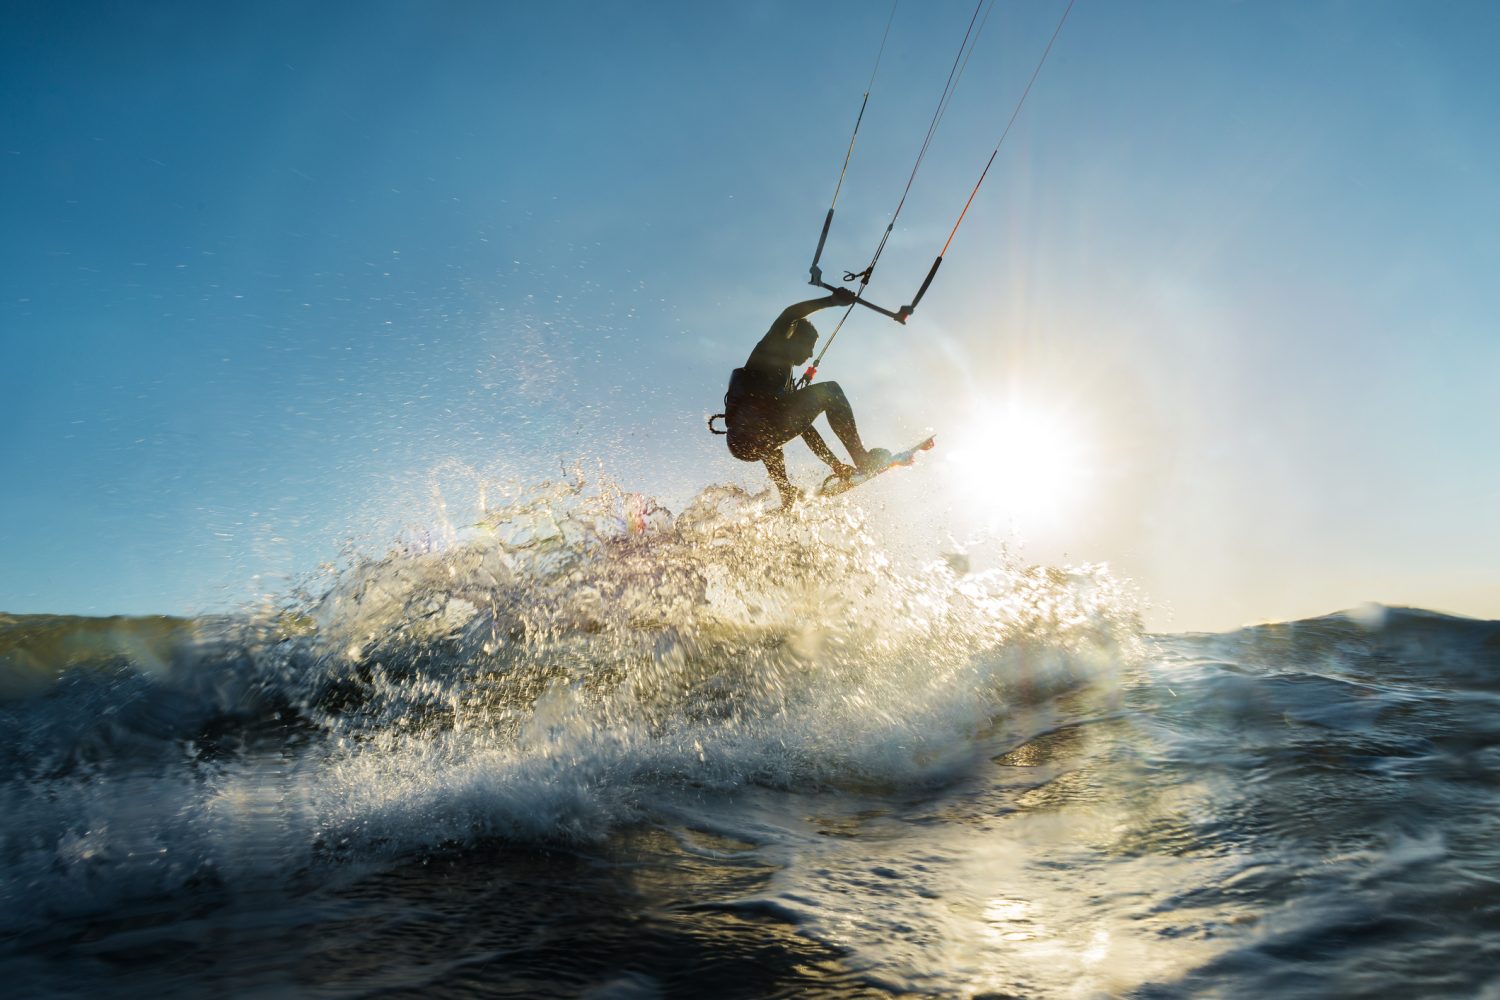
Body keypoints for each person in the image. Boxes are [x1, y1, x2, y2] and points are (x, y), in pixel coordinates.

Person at [720, 289, 890, 508]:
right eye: (810, 346)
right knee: (831, 391)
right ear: (793, 338)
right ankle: (861, 458)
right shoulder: (771, 349)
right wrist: (831, 301)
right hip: (752, 428)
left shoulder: (785, 383)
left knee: (770, 441)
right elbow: (790, 314)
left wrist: (835, 465)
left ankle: (786, 492)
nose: (811, 354)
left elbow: (805, 429)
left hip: (743, 441)